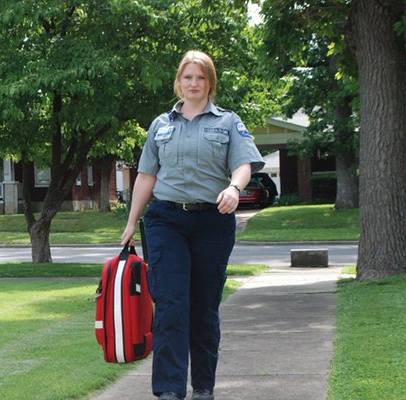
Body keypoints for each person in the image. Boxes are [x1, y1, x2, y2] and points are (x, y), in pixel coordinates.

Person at [121, 50, 265, 400]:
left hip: (213, 222)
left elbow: (244, 164)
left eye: (200, 77)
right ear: (179, 82)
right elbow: (145, 176)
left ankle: (203, 387)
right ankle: (169, 390)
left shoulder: (228, 122)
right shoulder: (161, 125)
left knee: (203, 308)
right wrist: (130, 222)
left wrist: (234, 188)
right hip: (166, 220)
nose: (194, 83)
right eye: (188, 77)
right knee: (170, 304)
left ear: (210, 83)